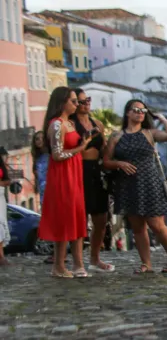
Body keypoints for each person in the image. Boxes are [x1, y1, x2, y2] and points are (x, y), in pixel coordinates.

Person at [104, 99, 167, 274]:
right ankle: (146, 263)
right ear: (127, 113)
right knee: (138, 227)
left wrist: (161, 118)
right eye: (136, 109)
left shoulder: (149, 133)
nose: (140, 112)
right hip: (128, 185)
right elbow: (106, 161)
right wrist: (120, 164)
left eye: (143, 110)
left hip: (150, 182)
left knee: (156, 224)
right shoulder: (117, 137)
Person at [39, 87, 92, 278]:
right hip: (63, 176)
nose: (76, 104)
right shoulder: (57, 124)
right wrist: (81, 147)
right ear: (62, 102)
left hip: (74, 175)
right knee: (64, 218)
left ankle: (73, 264)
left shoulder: (69, 123)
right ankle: (59, 266)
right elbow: (57, 155)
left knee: (76, 218)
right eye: (73, 101)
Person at [73, 90, 114, 272]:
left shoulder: (97, 123)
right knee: (80, 220)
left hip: (96, 171)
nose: (85, 104)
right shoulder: (70, 124)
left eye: (87, 100)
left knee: (101, 218)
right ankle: (78, 262)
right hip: (78, 170)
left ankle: (95, 258)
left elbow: (104, 147)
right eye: (81, 102)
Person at [0, 147, 11, 266]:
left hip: (0, 196)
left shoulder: (1, 163)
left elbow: (7, 180)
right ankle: (1, 257)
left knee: (2, 224)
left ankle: (1, 256)